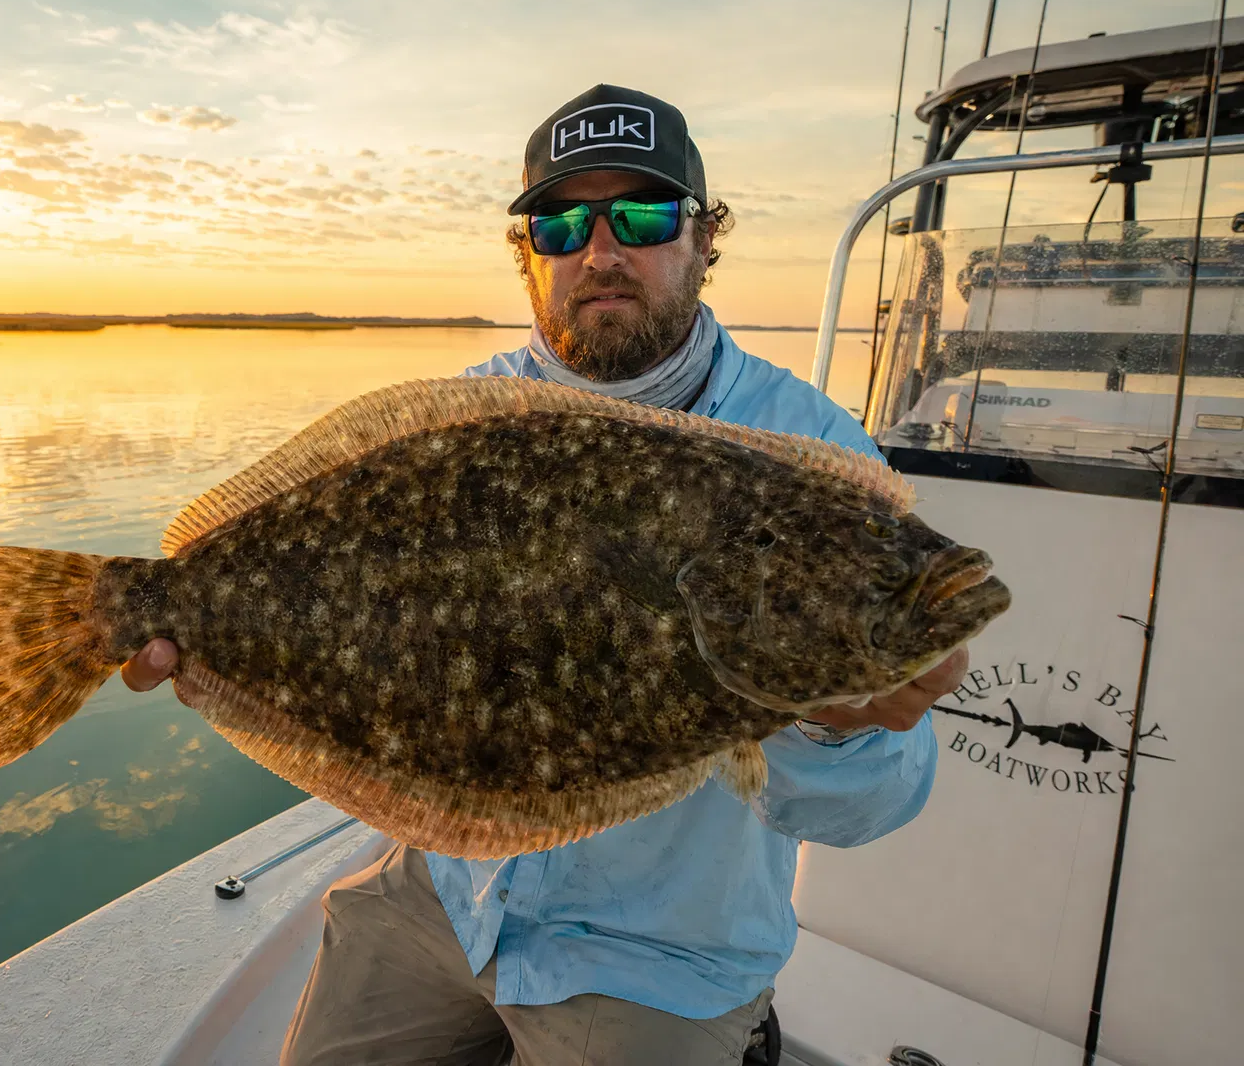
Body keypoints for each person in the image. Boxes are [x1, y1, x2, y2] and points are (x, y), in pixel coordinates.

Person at [119, 85, 967, 1065]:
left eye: (642, 216)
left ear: (702, 238)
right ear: (528, 254)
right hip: (444, 892)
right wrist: (219, 647)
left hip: (662, 949)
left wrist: (834, 722)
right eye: (562, 225)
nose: (601, 251)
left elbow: (871, 808)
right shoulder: (467, 417)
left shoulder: (809, 455)